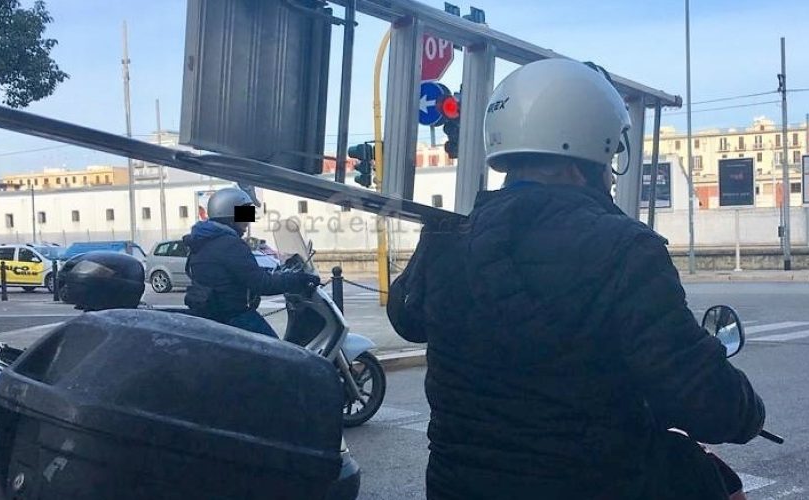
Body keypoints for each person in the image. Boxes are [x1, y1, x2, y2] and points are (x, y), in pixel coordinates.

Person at [388, 59, 765, 499]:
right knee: (712, 482)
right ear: (592, 147)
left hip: (458, 487)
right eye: (611, 156)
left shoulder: (448, 237)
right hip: (595, 485)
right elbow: (702, 398)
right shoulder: (625, 250)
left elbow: (406, 317)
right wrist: (749, 413)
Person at [183, 187, 318, 338]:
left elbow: (240, 272)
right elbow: (262, 284)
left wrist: (274, 271)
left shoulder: (203, 241)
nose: (247, 222)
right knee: (276, 349)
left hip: (214, 313)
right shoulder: (230, 244)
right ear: (230, 214)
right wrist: (299, 279)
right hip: (233, 316)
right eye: (244, 214)